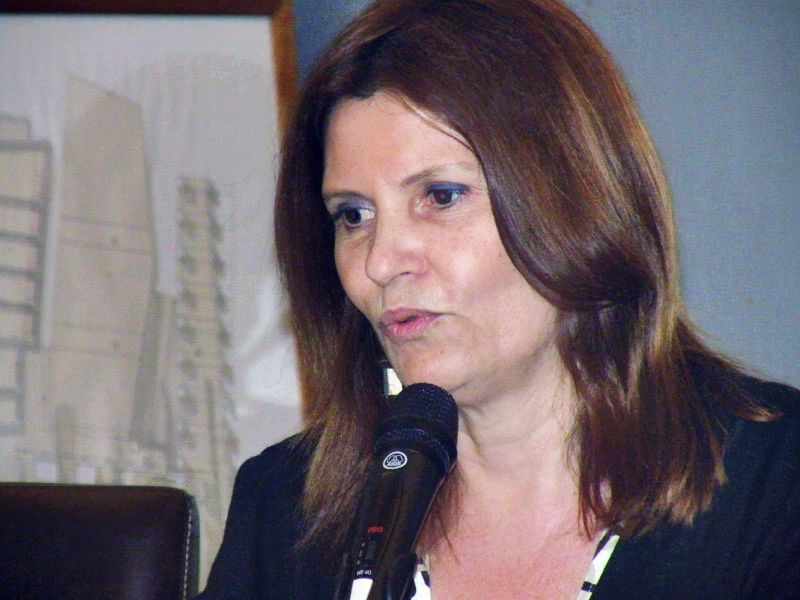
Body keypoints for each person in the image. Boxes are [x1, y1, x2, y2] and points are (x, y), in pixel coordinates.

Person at [198, 0, 800, 598]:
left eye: (441, 196)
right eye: (353, 215)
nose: (379, 263)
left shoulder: (776, 483)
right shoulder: (283, 510)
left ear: (579, 202)